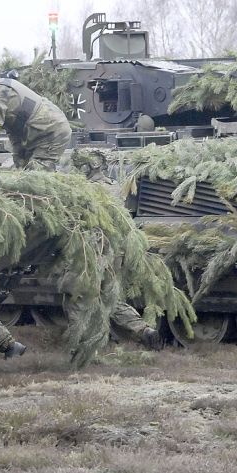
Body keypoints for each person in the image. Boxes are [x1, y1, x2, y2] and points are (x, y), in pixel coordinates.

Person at [69, 149, 165, 351]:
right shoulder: (113, 186)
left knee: (80, 296)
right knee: (110, 297)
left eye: (81, 165)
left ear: (92, 165)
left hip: (94, 250)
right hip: (115, 250)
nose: (78, 169)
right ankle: (143, 330)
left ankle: (83, 346)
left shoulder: (88, 189)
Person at [0, 65, 72, 171]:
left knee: (35, 177)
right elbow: (15, 125)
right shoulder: (0, 85)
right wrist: (18, 158)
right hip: (45, 128)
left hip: (49, 133)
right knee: (21, 170)